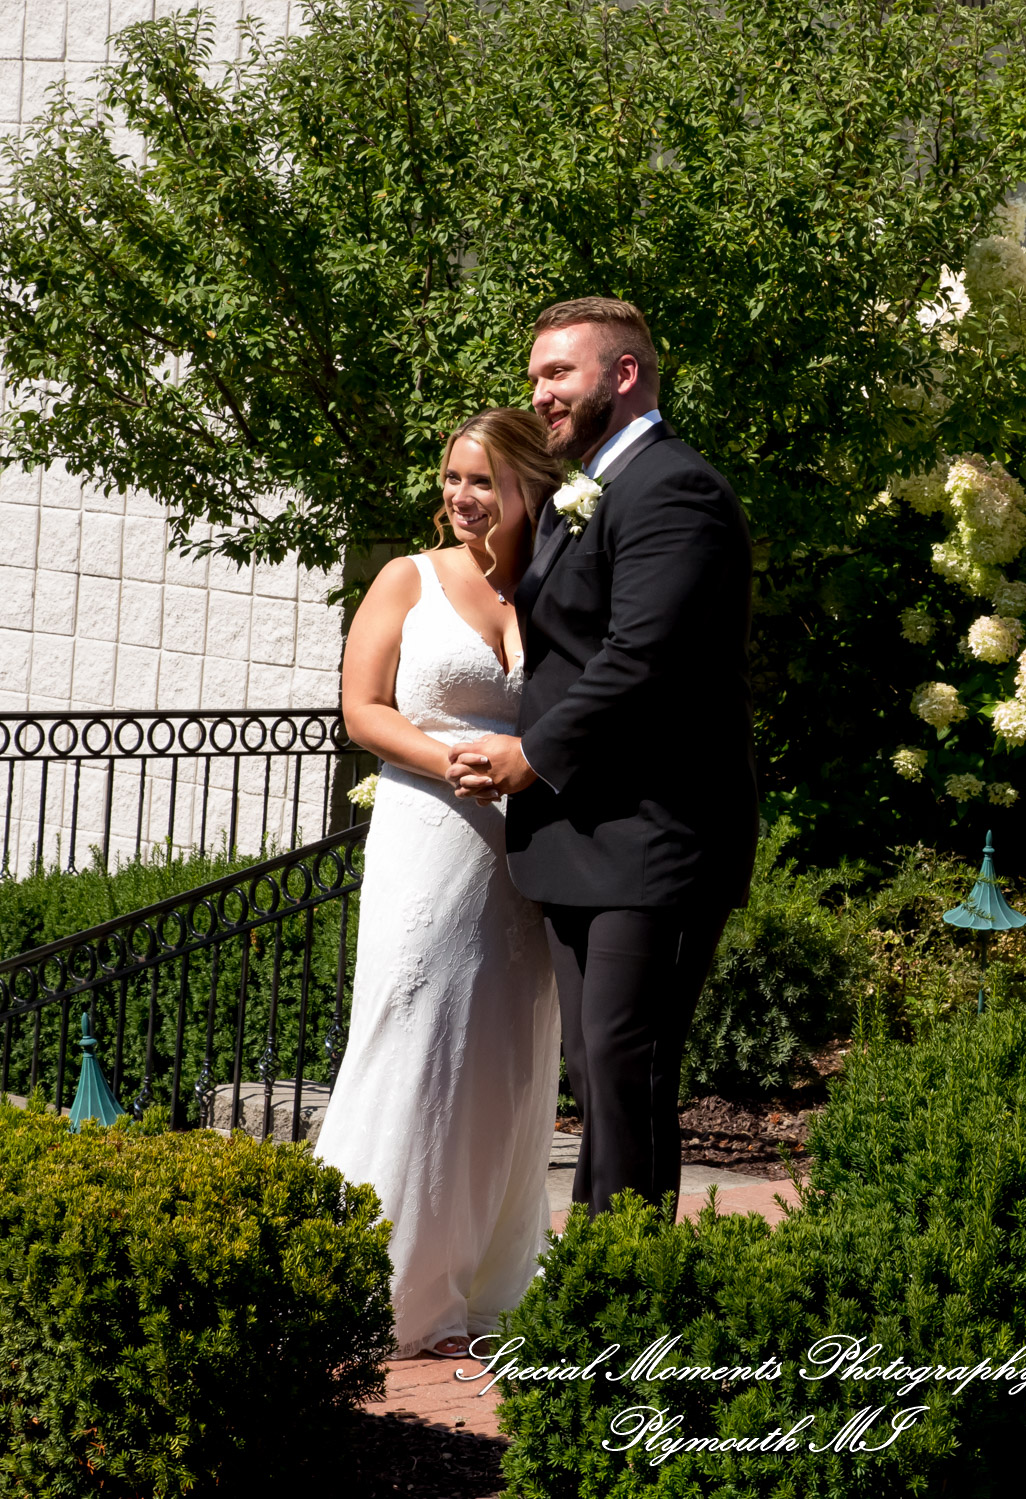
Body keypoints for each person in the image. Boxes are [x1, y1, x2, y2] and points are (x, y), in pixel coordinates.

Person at [448, 298, 758, 1219]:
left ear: (623, 375)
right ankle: (601, 1264)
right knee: (594, 1069)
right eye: (535, 376)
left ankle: (626, 1287)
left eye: (558, 373)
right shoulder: (585, 490)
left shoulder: (675, 489)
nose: (539, 393)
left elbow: (643, 659)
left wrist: (529, 757)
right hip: (582, 836)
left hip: (655, 835)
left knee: (628, 1067)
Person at [316, 408, 564, 1358]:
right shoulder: (406, 578)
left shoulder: (555, 585)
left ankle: (484, 1278)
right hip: (428, 837)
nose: (462, 496)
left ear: (528, 487)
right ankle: (374, 1279)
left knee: (505, 1056)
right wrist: (449, 760)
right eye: (453, 477)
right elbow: (361, 707)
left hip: (525, 861)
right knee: (413, 1035)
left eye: (482, 481)